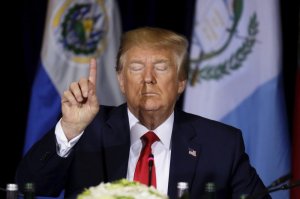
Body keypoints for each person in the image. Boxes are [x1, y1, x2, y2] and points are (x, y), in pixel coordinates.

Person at [16, 27, 271, 199]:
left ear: (181, 81)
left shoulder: (220, 143)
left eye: (161, 67)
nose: (148, 78)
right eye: (136, 68)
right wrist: (70, 129)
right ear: (121, 80)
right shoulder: (86, 129)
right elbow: (30, 186)